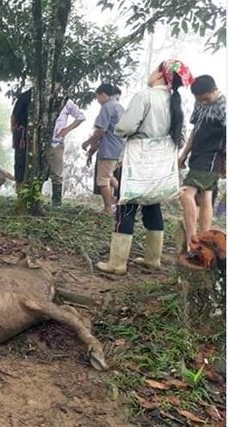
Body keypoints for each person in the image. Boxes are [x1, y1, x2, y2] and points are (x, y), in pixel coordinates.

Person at [96, 59, 195, 275]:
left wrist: (125, 131)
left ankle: (117, 263)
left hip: (138, 160)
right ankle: (153, 258)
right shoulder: (174, 101)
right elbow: (181, 136)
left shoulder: (145, 96)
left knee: (127, 205)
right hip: (160, 163)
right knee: (152, 204)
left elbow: (126, 126)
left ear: (160, 74)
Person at [178, 75, 226, 248]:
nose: (203, 103)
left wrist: (225, 163)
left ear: (214, 91)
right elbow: (195, 130)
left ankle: (193, 239)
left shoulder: (224, 107)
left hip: (212, 156)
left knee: (185, 193)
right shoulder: (199, 103)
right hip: (197, 154)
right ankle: (204, 239)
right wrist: (184, 154)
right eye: (200, 100)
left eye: (206, 99)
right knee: (206, 195)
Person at [82, 84, 125, 214]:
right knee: (109, 176)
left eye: (97, 97)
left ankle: (108, 208)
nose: (97, 101)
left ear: (103, 95)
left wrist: (88, 142)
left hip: (110, 149)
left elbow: (101, 130)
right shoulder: (120, 107)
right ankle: (125, 198)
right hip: (120, 148)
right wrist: (93, 150)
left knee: (102, 181)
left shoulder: (107, 107)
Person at [47, 74, 86, 206]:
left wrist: (66, 129)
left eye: (56, 84)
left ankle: (56, 202)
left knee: (56, 173)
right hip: (40, 141)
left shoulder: (66, 102)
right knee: (38, 172)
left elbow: (80, 116)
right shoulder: (42, 99)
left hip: (56, 142)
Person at [10, 88, 32, 191]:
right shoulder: (25, 96)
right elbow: (14, 115)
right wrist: (14, 131)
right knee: (20, 160)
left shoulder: (47, 97)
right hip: (22, 133)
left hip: (36, 134)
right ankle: (20, 188)